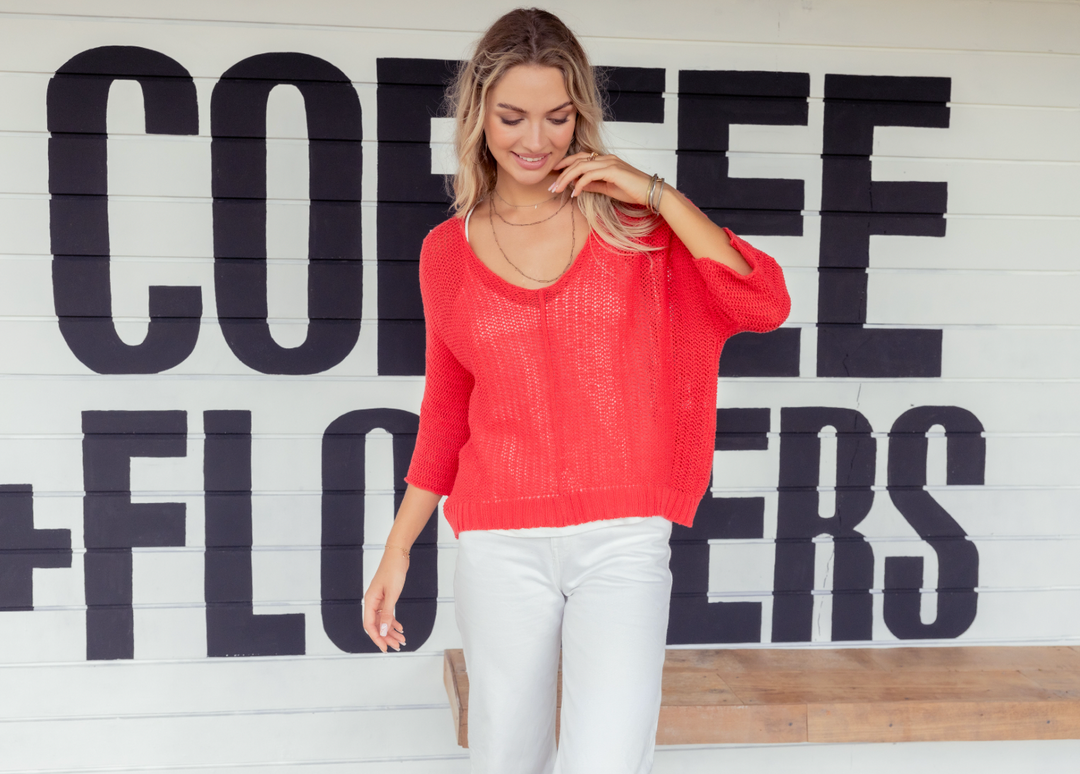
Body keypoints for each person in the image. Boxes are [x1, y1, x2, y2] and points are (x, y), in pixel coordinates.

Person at [362, 8, 790, 773]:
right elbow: (447, 410)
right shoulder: (445, 253)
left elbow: (762, 302)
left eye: (557, 117)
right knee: (505, 759)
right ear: (478, 115)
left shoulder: (635, 228)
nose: (536, 140)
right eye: (513, 117)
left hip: (623, 537)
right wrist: (397, 551)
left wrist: (654, 193)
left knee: (607, 759)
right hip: (498, 542)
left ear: (580, 114)